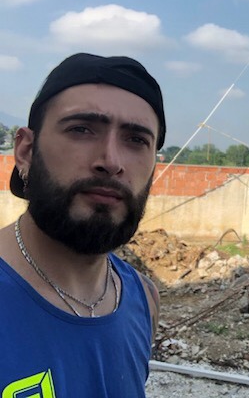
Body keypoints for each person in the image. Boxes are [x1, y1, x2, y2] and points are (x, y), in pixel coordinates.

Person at [0, 53, 164, 396]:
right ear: (26, 151)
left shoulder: (144, 299)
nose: (111, 161)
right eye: (81, 129)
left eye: (136, 140)